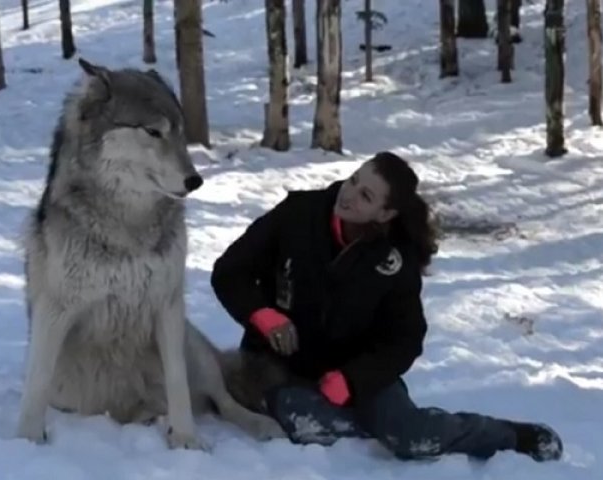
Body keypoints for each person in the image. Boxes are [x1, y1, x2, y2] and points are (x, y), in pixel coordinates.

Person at [210, 151, 563, 462]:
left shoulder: (396, 259)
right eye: (353, 180)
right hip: (282, 367)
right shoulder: (298, 214)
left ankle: (510, 436)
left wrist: (353, 380)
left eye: (365, 195)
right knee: (305, 424)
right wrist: (262, 315)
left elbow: (406, 338)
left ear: (385, 213)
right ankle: (373, 426)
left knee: (411, 437)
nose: (348, 194)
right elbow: (229, 272)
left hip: (360, 373)